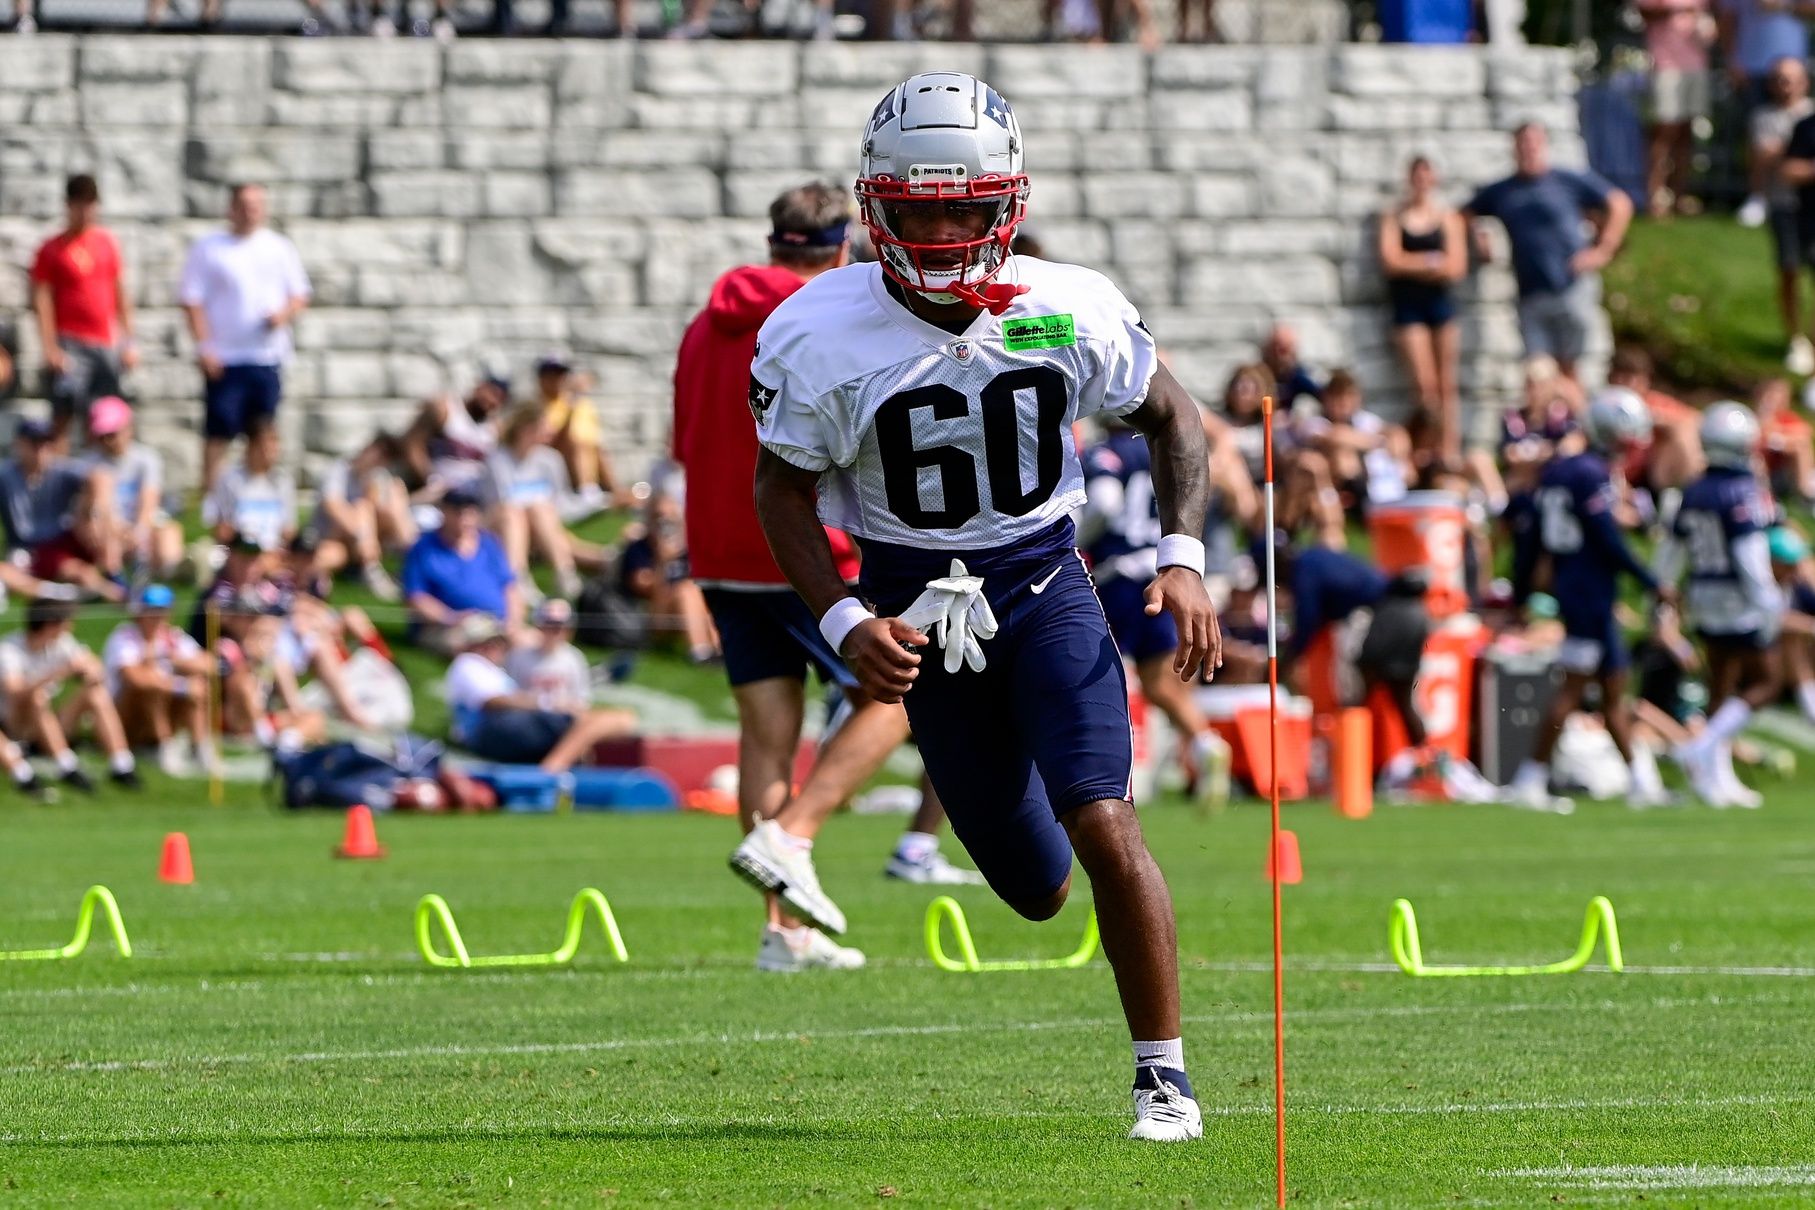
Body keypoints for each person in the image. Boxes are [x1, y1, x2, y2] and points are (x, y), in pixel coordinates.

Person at [730, 72, 1220, 1140]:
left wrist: (1182, 557)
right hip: (918, 609)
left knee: (1105, 816)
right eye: (920, 210)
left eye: (965, 206)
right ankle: (1030, 812)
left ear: (1009, 202)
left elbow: (1175, 418)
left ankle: (1164, 1078)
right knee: (1037, 886)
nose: (946, 231)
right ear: (875, 211)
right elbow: (781, 485)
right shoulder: (816, 331)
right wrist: (846, 618)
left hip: (1046, 584)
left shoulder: (1065, 303)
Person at [672, 181, 977, 970]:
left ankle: (785, 933)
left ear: (774, 240)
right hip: (805, 547)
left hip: (718, 550)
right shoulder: (820, 319)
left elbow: (684, 441)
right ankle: (793, 834)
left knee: (766, 739)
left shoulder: (704, 325)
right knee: (909, 684)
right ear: (843, 246)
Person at [1507, 388, 1671, 811]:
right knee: (1573, 687)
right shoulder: (1588, 473)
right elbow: (1605, 538)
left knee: (1615, 686)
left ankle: (1641, 781)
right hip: (1587, 592)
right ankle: (1531, 777)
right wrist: (1650, 579)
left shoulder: (1561, 471)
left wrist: (1523, 588)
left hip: (1578, 586)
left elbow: (1533, 537)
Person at [1081, 422, 1231, 802]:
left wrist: (1074, 540)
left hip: (1119, 576)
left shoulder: (1106, 452)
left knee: (1092, 677)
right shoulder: (1159, 447)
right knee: (1161, 682)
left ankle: (1106, 775)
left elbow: (1103, 501)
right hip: (1164, 571)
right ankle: (1204, 743)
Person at [1656, 403, 1783, 807]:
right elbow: (1751, 557)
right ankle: (1703, 746)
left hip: (1702, 594)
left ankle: (1715, 777)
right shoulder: (1742, 491)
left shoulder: (1694, 490)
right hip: (1737, 596)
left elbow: (1670, 554)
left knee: (1722, 686)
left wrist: (1661, 593)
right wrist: (1769, 602)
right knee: (1767, 680)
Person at [1465, 124, 1632, 383]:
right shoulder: (1503, 191)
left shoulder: (1565, 180)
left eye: (1534, 143)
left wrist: (1602, 250)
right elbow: (1464, 215)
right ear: (1514, 149)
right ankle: (1552, 421)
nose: (1528, 149)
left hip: (1569, 286)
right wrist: (1478, 237)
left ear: (1543, 146)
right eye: (1523, 144)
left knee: (1569, 370)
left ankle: (1573, 422)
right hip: (1530, 293)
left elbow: (1619, 203)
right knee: (1538, 373)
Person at [178, 182, 311, 493]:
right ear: (232, 208)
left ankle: (260, 496)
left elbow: (300, 294)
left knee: (263, 431)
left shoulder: (279, 247)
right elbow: (192, 300)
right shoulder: (209, 248)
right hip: (226, 357)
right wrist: (205, 347)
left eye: (257, 205)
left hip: (266, 355)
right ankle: (212, 500)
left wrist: (281, 315)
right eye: (246, 205)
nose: (252, 211)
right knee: (219, 433)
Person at [444, 614, 634, 772]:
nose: (495, 648)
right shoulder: (468, 663)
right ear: (472, 645)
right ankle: (551, 771)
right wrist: (548, 703)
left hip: (504, 727)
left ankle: (558, 766)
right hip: (492, 729)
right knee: (615, 720)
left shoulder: (494, 671)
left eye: (497, 642)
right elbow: (493, 701)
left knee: (611, 721)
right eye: (487, 643)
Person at [30, 173, 138, 445]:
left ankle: (97, 477)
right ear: (68, 205)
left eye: (91, 204)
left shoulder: (106, 243)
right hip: (70, 344)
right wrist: (50, 347)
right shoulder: (52, 249)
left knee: (105, 415)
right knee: (63, 413)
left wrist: (129, 341)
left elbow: (120, 294)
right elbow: (42, 300)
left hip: (104, 342)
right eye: (80, 204)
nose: (86, 211)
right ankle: (56, 481)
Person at [0, 598, 139, 791]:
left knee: (96, 693)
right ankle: (66, 766)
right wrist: (57, 673)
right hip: (17, 726)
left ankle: (121, 764)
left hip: (50, 721)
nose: (70, 628)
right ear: (50, 625)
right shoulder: (9, 650)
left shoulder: (62, 643)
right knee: (37, 698)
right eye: (66, 623)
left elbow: (95, 667)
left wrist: (89, 673)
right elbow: (15, 693)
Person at [1378, 157, 1467, 459]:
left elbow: (1456, 265)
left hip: (1439, 305)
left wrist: (1413, 263)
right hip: (1408, 307)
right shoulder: (1396, 216)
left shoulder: (1446, 217)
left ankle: (1448, 451)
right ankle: (1424, 452)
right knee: (1424, 387)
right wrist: (1430, 262)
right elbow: (1391, 261)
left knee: (1447, 385)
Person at [487, 404, 601, 603]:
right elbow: (499, 501)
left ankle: (564, 574)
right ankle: (518, 577)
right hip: (504, 526)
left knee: (540, 508)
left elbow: (562, 502)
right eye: (543, 426)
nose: (549, 431)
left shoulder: (551, 459)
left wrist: (599, 502)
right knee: (514, 512)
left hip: (541, 524)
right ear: (526, 429)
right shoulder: (497, 460)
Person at [0, 417, 122, 603]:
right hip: (30, 550)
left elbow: (101, 477)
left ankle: (112, 572)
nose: (42, 449)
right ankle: (94, 591)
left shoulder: (60, 469)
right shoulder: (6, 475)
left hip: (64, 542)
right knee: (8, 571)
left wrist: (96, 513)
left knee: (93, 509)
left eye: (47, 442)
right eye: (35, 443)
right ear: (20, 444)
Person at [1744, 58, 1814, 371]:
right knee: (1788, 268)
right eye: (1779, 78)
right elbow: (1779, 164)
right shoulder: (1767, 117)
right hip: (1784, 204)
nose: (1785, 85)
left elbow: (1783, 159)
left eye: (1791, 78)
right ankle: (1796, 339)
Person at [103, 584, 213, 776]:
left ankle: (199, 748)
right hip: (125, 718)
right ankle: (164, 747)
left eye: (161, 612)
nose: (156, 618)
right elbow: (134, 679)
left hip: (165, 709)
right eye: (151, 612)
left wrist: (176, 660)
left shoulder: (172, 639)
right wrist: (182, 686)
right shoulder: (125, 637)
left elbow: (209, 664)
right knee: (152, 687)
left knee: (196, 681)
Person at [1724, 0, 1815, 226]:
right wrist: (1732, 61)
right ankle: (1758, 199)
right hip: (1752, 67)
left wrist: (1784, 5)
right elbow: (1727, 19)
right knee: (1758, 135)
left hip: (1795, 67)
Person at [401, 486, 522, 653]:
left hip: (497, 624)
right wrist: (450, 617)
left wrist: (513, 622)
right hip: (449, 628)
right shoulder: (423, 549)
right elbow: (416, 597)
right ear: (444, 512)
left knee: (532, 643)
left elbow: (510, 587)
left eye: (470, 513)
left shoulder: (488, 543)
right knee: (474, 644)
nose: (464, 519)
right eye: (458, 512)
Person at [83, 396, 182, 581]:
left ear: (128, 428)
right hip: (109, 529)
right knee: (103, 530)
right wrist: (118, 531)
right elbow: (98, 509)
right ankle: (117, 577)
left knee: (168, 535)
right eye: (103, 435)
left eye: (112, 433)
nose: (108, 440)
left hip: (141, 526)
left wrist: (138, 532)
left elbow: (149, 502)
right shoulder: (91, 464)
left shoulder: (146, 459)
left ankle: (164, 575)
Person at [306, 433, 412, 602]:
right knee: (361, 509)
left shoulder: (375, 476)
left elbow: (381, 510)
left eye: (386, 457)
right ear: (369, 448)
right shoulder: (338, 470)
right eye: (380, 453)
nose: (380, 460)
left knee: (391, 498)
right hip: (332, 537)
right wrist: (364, 536)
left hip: (360, 542)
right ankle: (372, 568)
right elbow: (332, 507)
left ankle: (412, 560)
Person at [1292, 369, 1413, 516]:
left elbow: (1394, 434)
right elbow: (1336, 436)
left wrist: (1394, 438)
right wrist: (1379, 442)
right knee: (1343, 456)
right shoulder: (1315, 421)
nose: (1343, 401)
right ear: (1325, 398)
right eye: (1337, 395)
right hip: (1331, 486)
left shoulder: (1365, 420)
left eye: (1348, 395)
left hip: (1371, 485)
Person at [1639, 0, 1715, 218]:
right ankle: (1654, 196)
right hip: (1666, 65)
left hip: (1696, 64)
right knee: (1664, 132)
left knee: (1685, 133)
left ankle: (1678, 196)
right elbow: (1644, 12)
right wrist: (1679, 9)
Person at [534, 354, 623, 508]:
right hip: (558, 459)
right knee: (577, 446)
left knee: (597, 448)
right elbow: (551, 441)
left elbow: (593, 440)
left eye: (560, 375)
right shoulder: (537, 406)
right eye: (551, 375)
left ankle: (615, 493)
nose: (557, 380)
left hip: (587, 457)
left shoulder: (582, 404)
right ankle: (586, 492)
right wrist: (571, 409)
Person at [402, 373, 508, 497]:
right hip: (439, 492)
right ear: (479, 387)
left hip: (475, 495)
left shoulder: (495, 428)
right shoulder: (446, 410)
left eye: (500, 398)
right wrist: (430, 478)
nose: (493, 400)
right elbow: (412, 445)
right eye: (492, 392)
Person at [204, 415, 297, 554]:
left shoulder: (283, 482)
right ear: (251, 447)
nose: (270, 453)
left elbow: (289, 529)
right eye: (265, 446)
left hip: (275, 553)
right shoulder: (230, 480)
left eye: (274, 446)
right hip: (240, 551)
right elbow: (219, 527)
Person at [506, 598, 591, 712]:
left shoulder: (574, 658)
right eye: (549, 624)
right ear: (539, 626)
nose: (555, 631)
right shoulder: (519, 656)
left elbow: (582, 702)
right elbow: (509, 696)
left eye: (560, 626)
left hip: (561, 718)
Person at [1753, 376, 1815, 502]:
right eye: (1772, 394)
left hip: (1781, 473)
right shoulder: (1751, 418)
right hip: (1759, 471)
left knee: (1799, 447)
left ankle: (1806, 493)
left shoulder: (1785, 419)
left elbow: (1805, 432)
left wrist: (1780, 441)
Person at [1259, 324, 1323, 409]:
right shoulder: (1258, 376)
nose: (1278, 355)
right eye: (1274, 349)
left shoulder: (1303, 379)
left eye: (1283, 350)